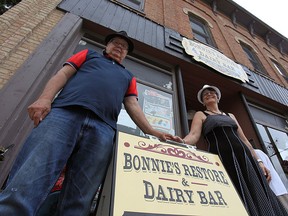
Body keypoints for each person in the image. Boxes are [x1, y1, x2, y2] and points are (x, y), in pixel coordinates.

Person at [0, 31, 176, 216]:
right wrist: (45, 98)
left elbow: (132, 104)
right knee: (31, 176)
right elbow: (63, 74)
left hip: (103, 128)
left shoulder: (128, 77)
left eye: (124, 47)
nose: (119, 47)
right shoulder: (88, 55)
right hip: (65, 113)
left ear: (126, 54)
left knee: (81, 194)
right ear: (106, 46)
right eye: (115, 42)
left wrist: (153, 131)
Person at [174, 84, 287, 215]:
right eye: (205, 94)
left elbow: (244, 140)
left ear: (217, 97)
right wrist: (182, 141)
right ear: (203, 101)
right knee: (234, 192)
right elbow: (193, 135)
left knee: (255, 190)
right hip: (221, 159)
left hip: (245, 157)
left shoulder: (231, 116)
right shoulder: (201, 114)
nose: (209, 94)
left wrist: (259, 161)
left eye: (212, 92)